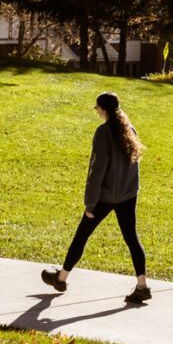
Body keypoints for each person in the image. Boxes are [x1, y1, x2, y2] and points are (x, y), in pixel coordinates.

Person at [41, 90, 150, 304]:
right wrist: (131, 191)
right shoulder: (129, 129)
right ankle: (142, 286)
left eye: (97, 107)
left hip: (105, 197)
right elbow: (134, 166)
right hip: (127, 195)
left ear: (103, 109)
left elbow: (97, 170)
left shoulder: (103, 132)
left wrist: (90, 203)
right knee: (132, 239)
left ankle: (61, 278)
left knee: (81, 236)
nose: (96, 111)